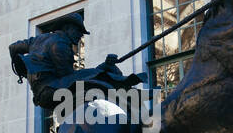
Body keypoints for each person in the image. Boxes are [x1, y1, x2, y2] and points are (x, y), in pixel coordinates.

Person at [9, 12, 145, 110]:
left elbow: (13, 47)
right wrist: (101, 70)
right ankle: (131, 100)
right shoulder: (61, 44)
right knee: (101, 80)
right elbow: (68, 76)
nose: (80, 36)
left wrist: (21, 72)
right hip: (51, 91)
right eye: (79, 31)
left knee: (98, 76)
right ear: (68, 28)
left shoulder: (38, 39)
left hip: (43, 92)